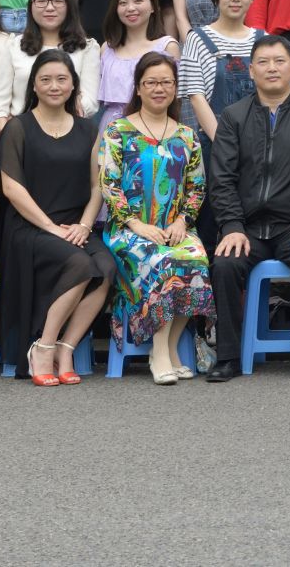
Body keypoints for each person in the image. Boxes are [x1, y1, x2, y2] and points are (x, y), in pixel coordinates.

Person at [204, 36, 290, 382]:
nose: (272, 68)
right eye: (263, 62)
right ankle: (228, 357)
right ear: (251, 71)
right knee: (225, 264)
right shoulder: (233, 116)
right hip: (246, 225)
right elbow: (222, 178)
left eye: (279, 61)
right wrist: (231, 225)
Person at [0, 49, 113, 384]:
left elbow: (98, 186)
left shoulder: (89, 130)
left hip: (74, 226)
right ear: (33, 85)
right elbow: (11, 188)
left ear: (74, 84)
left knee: (106, 268)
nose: (54, 86)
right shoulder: (18, 128)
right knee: (80, 265)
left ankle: (66, 347)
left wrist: (85, 225)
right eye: (45, 79)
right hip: (29, 227)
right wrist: (49, 227)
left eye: (62, 79)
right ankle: (43, 347)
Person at [99, 53, 214, 385]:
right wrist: (136, 225)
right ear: (138, 87)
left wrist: (182, 222)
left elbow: (197, 187)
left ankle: (170, 346)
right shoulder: (118, 130)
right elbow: (109, 184)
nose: (159, 88)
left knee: (195, 259)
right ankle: (160, 351)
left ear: (175, 87)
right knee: (162, 261)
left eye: (166, 82)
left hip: (175, 227)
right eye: (151, 82)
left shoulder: (187, 135)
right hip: (129, 230)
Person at [178, 0, 267, 137]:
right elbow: (196, 97)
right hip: (213, 139)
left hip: (259, 139)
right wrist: (223, 143)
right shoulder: (197, 39)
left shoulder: (264, 40)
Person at [96, 0, 179, 127]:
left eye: (138, 1)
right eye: (123, 3)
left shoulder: (167, 47)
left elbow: (175, 97)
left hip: (152, 125)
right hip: (111, 127)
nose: (130, 8)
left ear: (153, 6)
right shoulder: (107, 48)